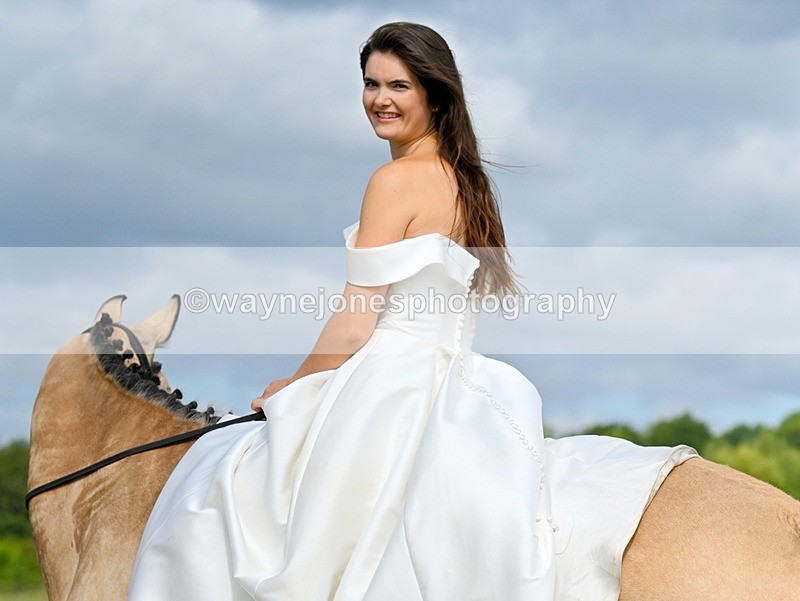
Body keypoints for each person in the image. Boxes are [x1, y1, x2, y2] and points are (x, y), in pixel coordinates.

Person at [128, 22, 695, 600]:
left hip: (390, 380)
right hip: (453, 377)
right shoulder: (468, 181)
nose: (381, 99)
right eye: (371, 84)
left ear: (434, 94)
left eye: (399, 85)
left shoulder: (394, 180)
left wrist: (291, 385)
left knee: (218, 485)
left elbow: (355, 325)